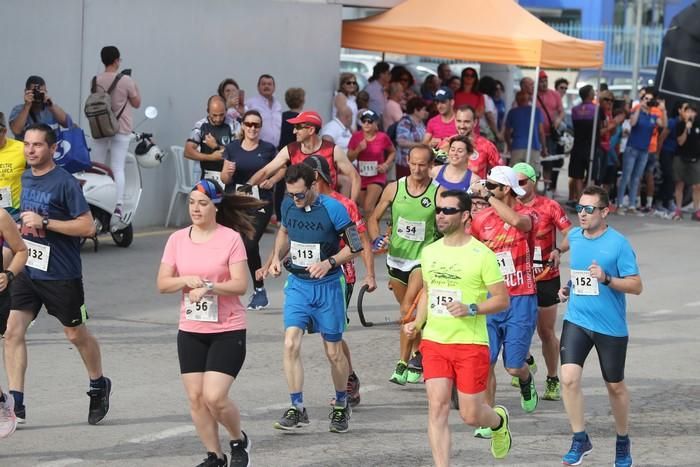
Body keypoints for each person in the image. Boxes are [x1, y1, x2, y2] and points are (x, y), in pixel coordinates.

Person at [4, 123, 109, 426]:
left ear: (52, 149)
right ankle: (16, 403)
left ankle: (98, 384)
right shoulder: (24, 177)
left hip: (61, 273)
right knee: (11, 332)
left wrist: (45, 222)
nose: (31, 150)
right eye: (27, 144)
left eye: (37, 145)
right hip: (28, 268)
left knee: (74, 333)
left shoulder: (64, 182)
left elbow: (88, 227)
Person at [158, 179, 264, 467]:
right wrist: (183, 280)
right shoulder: (177, 239)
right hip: (191, 329)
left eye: (202, 203)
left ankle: (238, 440)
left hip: (227, 329)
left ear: (215, 206)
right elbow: (162, 283)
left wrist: (209, 287)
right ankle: (214, 457)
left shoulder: (230, 238)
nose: (195, 208)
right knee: (195, 398)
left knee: (214, 397)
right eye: (192, 202)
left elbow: (241, 285)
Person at [404, 189, 512, 465]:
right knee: (437, 408)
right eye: (438, 210)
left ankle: (498, 422)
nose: (441, 215)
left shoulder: (482, 255)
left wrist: (471, 308)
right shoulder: (430, 252)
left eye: (448, 211)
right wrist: (417, 322)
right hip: (435, 342)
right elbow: (429, 292)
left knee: (470, 415)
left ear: (465, 216)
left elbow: (502, 300)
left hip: (470, 343)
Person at [267, 163, 361, 433]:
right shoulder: (287, 204)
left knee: (333, 351)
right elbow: (284, 232)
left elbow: (355, 246)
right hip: (298, 285)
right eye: (291, 194)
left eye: (300, 195)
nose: (295, 200)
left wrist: (329, 262)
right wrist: (276, 258)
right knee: (290, 343)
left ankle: (341, 405)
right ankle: (297, 408)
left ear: (313, 186)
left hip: (329, 286)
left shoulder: (334, 209)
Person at [558, 186, 641, 467]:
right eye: (579, 208)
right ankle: (579, 438)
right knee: (568, 378)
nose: (582, 214)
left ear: (605, 212)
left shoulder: (619, 244)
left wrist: (607, 279)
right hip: (577, 319)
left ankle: (622, 440)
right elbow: (580, 273)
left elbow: (636, 285)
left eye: (589, 209)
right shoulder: (574, 236)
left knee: (615, 386)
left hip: (610, 327)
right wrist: (568, 288)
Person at [470, 166, 540, 438]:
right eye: (486, 185)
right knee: (486, 361)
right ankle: (489, 417)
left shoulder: (527, 212)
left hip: (520, 297)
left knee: (513, 365)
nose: (487, 189)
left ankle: (525, 379)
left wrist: (488, 198)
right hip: (489, 298)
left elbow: (520, 224)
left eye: (493, 185)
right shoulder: (481, 219)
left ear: (506, 189)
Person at [302, 155, 376, 406]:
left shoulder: (344, 205)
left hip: (340, 275)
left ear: (316, 177)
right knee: (327, 333)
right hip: (311, 276)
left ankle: (348, 382)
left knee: (330, 333)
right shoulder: (304, 203)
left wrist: (370, 274)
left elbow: (362, 241)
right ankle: (350, 378)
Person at [367, 144, 438, 385]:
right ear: (407, 162)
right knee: (407, 314)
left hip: (422, 259)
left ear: (430, 166)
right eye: (413, 163)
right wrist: (377, 238)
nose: (417, 169)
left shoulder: (438, 193)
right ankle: (421, 353)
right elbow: (373, 218)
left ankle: (402, 363)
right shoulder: (394, 188)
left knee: (408, 308)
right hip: (396, 259)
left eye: (422, 165)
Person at [513, 163, 572, 401]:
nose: (518, 187)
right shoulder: (509, 206)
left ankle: (552, 379)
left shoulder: (549, 206)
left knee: (545, 331)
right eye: (513, 183)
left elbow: (571, 233)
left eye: (522, 182)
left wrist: (558, 249)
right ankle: (524, 360)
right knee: (515, 327)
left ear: (533, 181)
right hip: (517, 277)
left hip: (545, 276)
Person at [221, 110, 278, 310]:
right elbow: (225, 179)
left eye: (256, 125)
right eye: (249, 124)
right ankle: (225, 288)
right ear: (243, 126)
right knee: (228, 245)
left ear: (260, 128)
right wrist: (227, 174)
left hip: (259, 203)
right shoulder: (232, 148)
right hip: (235, 202)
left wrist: (273, 180)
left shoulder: (268, 149)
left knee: (250, 244)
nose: (252, 128)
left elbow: (282, 168)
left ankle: (259, 289)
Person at [247, 111, 361, 202]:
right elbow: (266, 171)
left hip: (326, 207)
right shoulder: (290, 149)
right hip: (300, 205)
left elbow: (355, 177)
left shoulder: (332, 150)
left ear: (311, 130)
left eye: (298, 127)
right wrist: (247, 186)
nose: (294, 131)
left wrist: (352, 204)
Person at [89, 46, 142, 218]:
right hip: (121, 129)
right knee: (117, 168)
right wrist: (135, 85)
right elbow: (136, 103)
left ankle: (94, 202)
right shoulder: (126, 80)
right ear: (117, 60)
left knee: (97, 166)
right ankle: (118, 205)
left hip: (100, 128)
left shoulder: (95, 80)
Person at [616, 89, 666, 214]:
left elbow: (663, 125)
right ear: (642, 100)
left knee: (636, 178)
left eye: (650, 99)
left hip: (644, 150)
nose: (648, 101)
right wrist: (639, 107)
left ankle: (632, 205)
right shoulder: (637, 111)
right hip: (632, 148)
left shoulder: (653, 115)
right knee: (626, 176)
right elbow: (632, 123)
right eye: (646, 99)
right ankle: (620, 204)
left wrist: (663, 110)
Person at [347, 110, 396, 214]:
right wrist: (358, 149)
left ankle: (371, 228)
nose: (366, 124)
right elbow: (349, 158)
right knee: (365, 209)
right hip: (361, 177)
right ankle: (370, 228)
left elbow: (392, 152)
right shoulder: (356, 137)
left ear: (376, 123)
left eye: (369, 121)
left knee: (368, 207)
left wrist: (386, 164)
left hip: (377, 176)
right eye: (364, 121)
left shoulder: (382, 137)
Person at [185, 96, 238, 187]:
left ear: (226, 110)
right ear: (208, 111)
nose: (218, 119)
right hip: (205, 175)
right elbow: (188, 152)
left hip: (228, 176)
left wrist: (216, 146)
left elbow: (238, 152)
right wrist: (211, 157)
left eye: (221, 115)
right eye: (214, 115)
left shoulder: (233, 125)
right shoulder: (200, 126)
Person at [275, 87, 306, 224]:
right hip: (297, 154)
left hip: (282, 153)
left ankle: (279, 216)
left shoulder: (282, 116)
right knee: (297, 185)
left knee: (280, 187)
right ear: (301, 100)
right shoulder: (301, 119)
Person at [568, 85, 602, 206]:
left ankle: (580, 201)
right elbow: (600, 126)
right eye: (593, 92)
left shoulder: (575, 110)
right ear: (589, 94)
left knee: (577, 175)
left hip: (578, 144)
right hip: (591, 145)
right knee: (591, 174)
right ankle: (590, 202)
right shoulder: (596, 109)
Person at [9, 75, 70, 140]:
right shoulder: (19, 109)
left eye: (40, 92)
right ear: (26, 91)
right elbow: (16, 130)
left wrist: (52, 106)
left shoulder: (52, 109)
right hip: (28, 149)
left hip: (52, 148)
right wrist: (27, 106)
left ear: (45, 92)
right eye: (34, 92)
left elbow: (68, 124)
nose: (37, 95)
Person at [454, 106, 503, 179]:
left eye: (466, 122)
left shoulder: (486, 146)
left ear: (475, 122)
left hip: (476, 189)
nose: (462, 126)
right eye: (459, 121)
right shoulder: (447, 143)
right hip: (450, 190)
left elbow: (501, 172)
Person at [505, 91, 547, 177]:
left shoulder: (512, 112)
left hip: (517, 147)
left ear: (516, 100)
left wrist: (509, 145)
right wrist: (544, 148)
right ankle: (531, 191)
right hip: (533, 147)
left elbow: (507, 132)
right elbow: (541, 132)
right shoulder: (536, 111)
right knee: (532, 176)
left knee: (515, 176)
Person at [536, 71, 565, 189]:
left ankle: (546, 188)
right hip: (536, 135)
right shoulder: (533, 95)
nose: (544, 84)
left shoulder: (554, 95)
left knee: (548, 162)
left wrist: (558, 120)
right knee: (536, 163)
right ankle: (535, 188)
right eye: (541, 81)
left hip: (550, 134)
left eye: (545, 81)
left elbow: (562, 111)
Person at [656, 102, 684, 217]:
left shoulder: (685, 124)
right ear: (679, 110)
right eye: (685, 109)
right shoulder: (672, 122)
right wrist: (658, 153)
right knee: (667, 175)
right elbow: (662, 136)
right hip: (666, 151)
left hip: (676, 154)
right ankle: (660, 201)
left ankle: (668, 201)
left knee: (673, 178)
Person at [674, 103, 700, 221]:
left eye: (692, 111)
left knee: (697, 185)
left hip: (695, 159)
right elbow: (680, 142)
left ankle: (696, 210)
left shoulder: (698, 125)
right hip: (681, 158)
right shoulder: (680, 125)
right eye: (688, 111)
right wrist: (686, 128)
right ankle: (678, 210)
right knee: (680, 184)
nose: (690, 114)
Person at [395, 97, 429, 179]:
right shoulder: (405, 122)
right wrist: (420, 145)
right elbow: (401, 141)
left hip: (418, 161)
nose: (425, 112)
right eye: (423, 110)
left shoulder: (421, 123)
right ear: (416, 110)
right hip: (404, 163)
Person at [247, 74, 282, 148]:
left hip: (276, 149)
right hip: (258, 147)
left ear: (274, 88)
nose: (266, 86)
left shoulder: (278, 105)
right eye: (263, 84)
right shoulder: (251, 103)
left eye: (269, 84)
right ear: (258, 87)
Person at [423, 88, 457, 152]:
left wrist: (449, 141)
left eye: (443, 102)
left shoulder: (460, 120)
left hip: (457, 157)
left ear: (452, 102)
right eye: (437, 102)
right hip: (438, 158)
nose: (439, 106)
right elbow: (423, 145)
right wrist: (430, 144)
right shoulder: (432, 121)